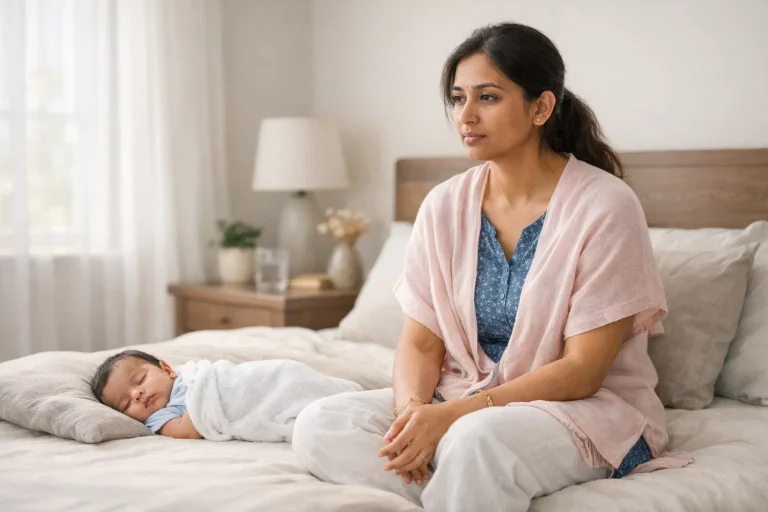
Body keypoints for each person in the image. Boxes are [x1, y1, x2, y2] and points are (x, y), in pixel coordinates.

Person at [290, 22, 691, 512]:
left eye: (488, 97)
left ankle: (463, 479)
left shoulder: (606, 205)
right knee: (322, 424)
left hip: (581, 410)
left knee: (476, 441)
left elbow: (584, 370)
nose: (466, 115)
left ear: (541, 107)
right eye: (458, 99)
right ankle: (459, 492)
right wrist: (413, 414)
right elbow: (420, 341)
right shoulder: (443, 204)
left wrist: (455, 417)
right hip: (462, 397)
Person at [91, 349, 362, 441]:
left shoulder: (194, 375)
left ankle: (345, 396)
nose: (137, 394)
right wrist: (200, 403)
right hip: (249, 405)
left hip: (269, 379)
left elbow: (231, 380)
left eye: (140, 380)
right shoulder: (160, 418)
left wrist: (205, 387)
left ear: (168, 369)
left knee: (289, 377)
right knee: (317, 413)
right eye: (126, 403)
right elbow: (189, 428)